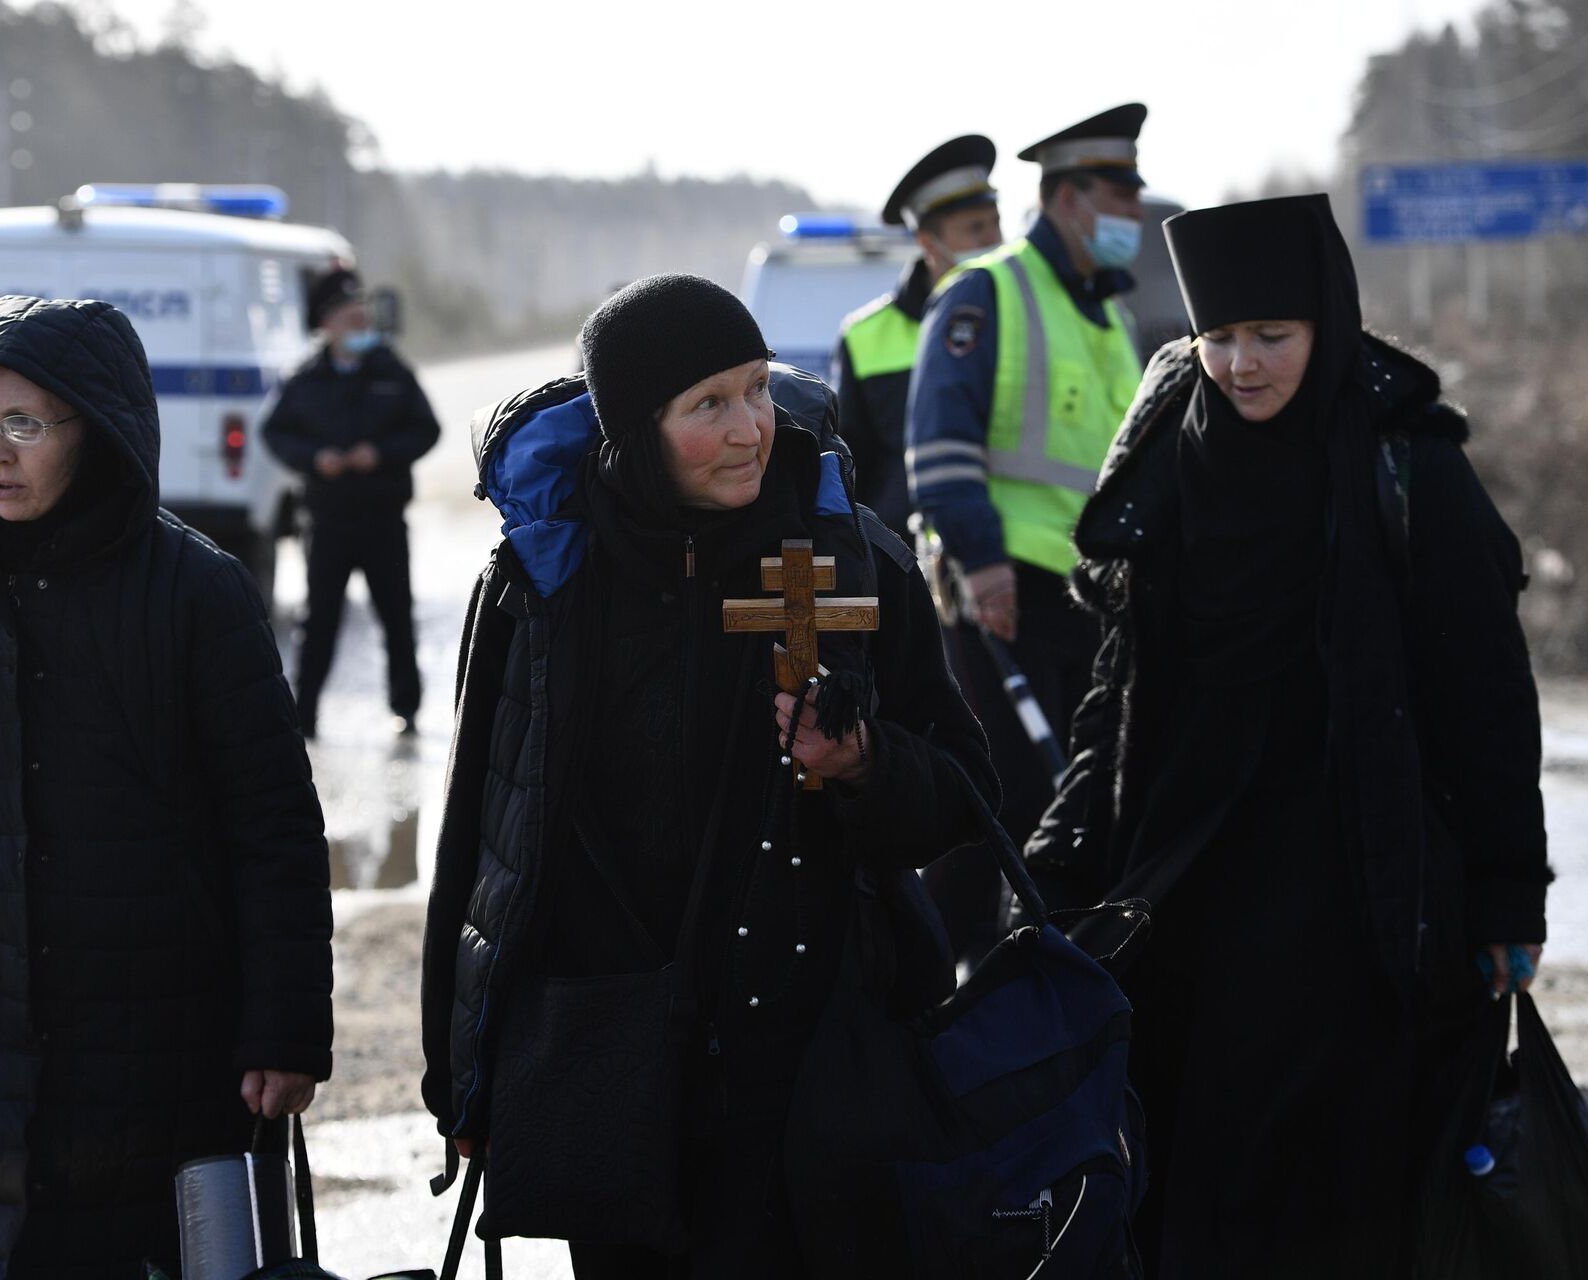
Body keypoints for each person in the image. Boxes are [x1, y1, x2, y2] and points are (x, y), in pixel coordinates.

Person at [420, 274, 996, 1276]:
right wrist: (461, 1079)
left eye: (758, 389)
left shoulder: (849, 562)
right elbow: (483, 826)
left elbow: (963, 794)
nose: (750, 429)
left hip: (812, 1065)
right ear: (635, 427)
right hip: (610, 1060)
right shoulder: (544, 581)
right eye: (707, 405)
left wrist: (864, 764)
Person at [1024, 195, 1552, 1275]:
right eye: (1219, 339)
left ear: (1326, 320)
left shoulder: (1407, 464)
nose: (1243, 365)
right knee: (1191, 1166)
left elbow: (1484, 694)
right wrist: (1063, 848)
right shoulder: (1172, 452)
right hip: (1188, 879)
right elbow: (1117, 682)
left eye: (1272, 336)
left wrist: (1508, 890)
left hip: (1354, 884)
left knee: (1343, 1189)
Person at [0, 296, 335, 1277]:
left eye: (24, 423)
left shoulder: (196, 589)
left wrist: (286, 1024)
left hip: (147, 1038)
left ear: (92, 428)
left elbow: (272, 823)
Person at [904, 104, 1150, 965]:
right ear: (1067, 198)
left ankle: (1044, 981)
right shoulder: (988, 289)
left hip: (1094, 603)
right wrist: (984, 562)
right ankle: (949, 986)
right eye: (1118, 194)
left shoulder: (1110, 318)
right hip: (1008, 592)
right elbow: (938, 440)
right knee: (1005, 801)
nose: (1132, 211)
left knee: (1073, 803)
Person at [264, 266, 440, 738]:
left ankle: (407, 709)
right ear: (326, 324)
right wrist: (314, 458)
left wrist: (380, 454)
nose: (359, 322)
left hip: (383, 517)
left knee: (395, 616)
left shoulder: (391, 369)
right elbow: (275, 432)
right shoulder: (306, 378)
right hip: (329, 520)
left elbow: (427, 429)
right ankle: (306, 715)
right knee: (319, 620)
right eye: (348, 316)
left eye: (361, 314)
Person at [830, 134, 1003, 539]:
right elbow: (853, 467)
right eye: (976, 228)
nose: (993, 241)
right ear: (929, 243)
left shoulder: (1030, 315)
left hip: (1010, 550)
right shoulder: (865, 336)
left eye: (996, 223)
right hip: (909, 561)